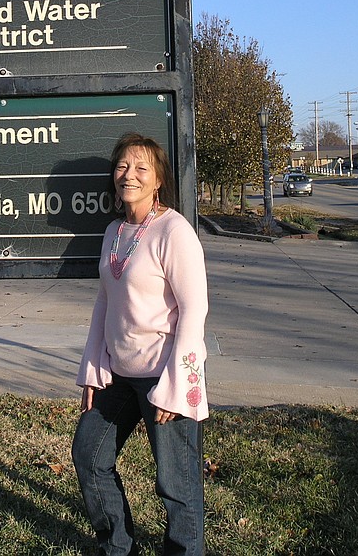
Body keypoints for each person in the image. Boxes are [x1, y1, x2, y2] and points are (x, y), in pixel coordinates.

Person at [72, 132, 209, 556]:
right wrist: (93, 366)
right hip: (118, 375)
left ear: (158, 181)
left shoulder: (174, 230)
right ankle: (117, 546)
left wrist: (177, 384)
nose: (128, 175)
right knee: (89, 456)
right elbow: (104, 301)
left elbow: (194, 308)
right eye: (122, 166)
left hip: (163, 375)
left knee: (176, 485)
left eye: (141, 168)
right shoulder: (113, 231)